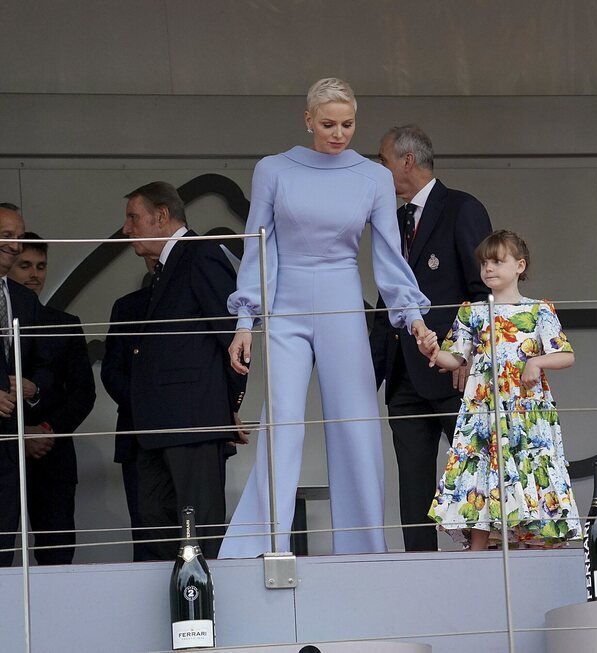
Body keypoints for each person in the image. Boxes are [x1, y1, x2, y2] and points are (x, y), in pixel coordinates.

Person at [220, 78, 434, 557]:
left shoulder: (374, 177)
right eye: (328, 124)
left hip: (342, 300)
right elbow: (259, 247)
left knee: (356, 422)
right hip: (286, 306)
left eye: (348, 124)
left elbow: (387, 257)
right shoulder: (272, 170)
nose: (339, 133)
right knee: (283, 421)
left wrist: (412, 317)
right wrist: (245, 321)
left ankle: (363, 548)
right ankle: (259, 545)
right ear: (308, 120)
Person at [371, 124, 492, 551]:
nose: (379, 170)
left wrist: (471, 356)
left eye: (383, 161)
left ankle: (482, 560)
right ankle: (418, 568)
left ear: (407, 160)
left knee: (473, 472)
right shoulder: (389, 218)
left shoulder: (461, 208)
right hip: (402, 373)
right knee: (413, 485)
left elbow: (484, 290)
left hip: (453, 373)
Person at [420, 230, 580, 550]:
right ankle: (478, 552)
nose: (488, 269)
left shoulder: (539, 310)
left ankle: (534, 546)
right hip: (484, 407)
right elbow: (456, 357)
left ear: (520, 266)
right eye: (484, 263)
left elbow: (567, 355)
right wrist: (434, 352)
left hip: (525, 407)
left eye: (497, 261)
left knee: (528, 465)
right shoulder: (472, 311)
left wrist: (537, 363)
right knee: (482, 468)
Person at [121, 181, 246, 559]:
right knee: (155, 529)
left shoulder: (200, 254)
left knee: (199, 535)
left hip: (194, 422)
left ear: (161, 216)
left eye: (133, 218)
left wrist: (227, 407)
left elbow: (234, 339)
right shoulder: (164, 267)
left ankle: (202, 614)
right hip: (155, 427)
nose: (126, 229)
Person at [8, 233, 96, 564]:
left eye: (41, 266)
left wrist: (45, 429)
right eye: (25, 265)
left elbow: (83, 394)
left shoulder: (65, 324)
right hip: (5, 456)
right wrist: (19, 437)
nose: (34, 274)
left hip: (52, 453)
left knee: (57, 557)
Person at [0, 204, 54, 567]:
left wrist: (33, 390)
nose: (16, 246)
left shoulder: (24, 300)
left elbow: (48, 364)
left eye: (19, 238)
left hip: (8, 448)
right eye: (7, 236)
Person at [101, 256, 156, 562]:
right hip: (138, 437)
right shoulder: (128, 307)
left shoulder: (200, 304)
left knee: (195, 535)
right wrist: (148, 406)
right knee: (146, 535)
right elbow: (111, 371)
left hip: (191, 437)